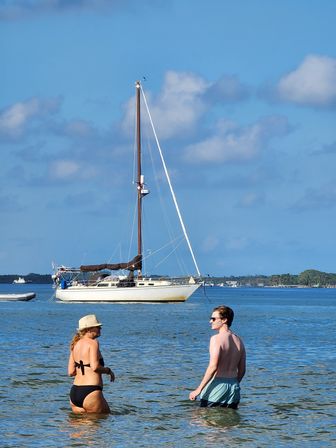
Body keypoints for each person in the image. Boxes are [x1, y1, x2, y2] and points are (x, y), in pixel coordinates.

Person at [189, 305, 246, 408]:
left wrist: (199, 389)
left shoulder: (216, 339)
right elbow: (242, 370)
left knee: (203, 420)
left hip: (217, 387)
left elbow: (213, 366)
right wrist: (235, 384)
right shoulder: (239, 341)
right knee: (229, 422)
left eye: (213, 319)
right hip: (234, 388)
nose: (210, 321)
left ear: (224, 320)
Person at [68, 314, 115, 414]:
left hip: (75, 392)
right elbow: (95, 367)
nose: (100, 329)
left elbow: (71, 372)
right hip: (91, 391)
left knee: (79, 429)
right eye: (97, 327)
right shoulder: (93, 343)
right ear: (89, 329)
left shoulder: (75, 344)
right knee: (104, 420)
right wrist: (108, 371)